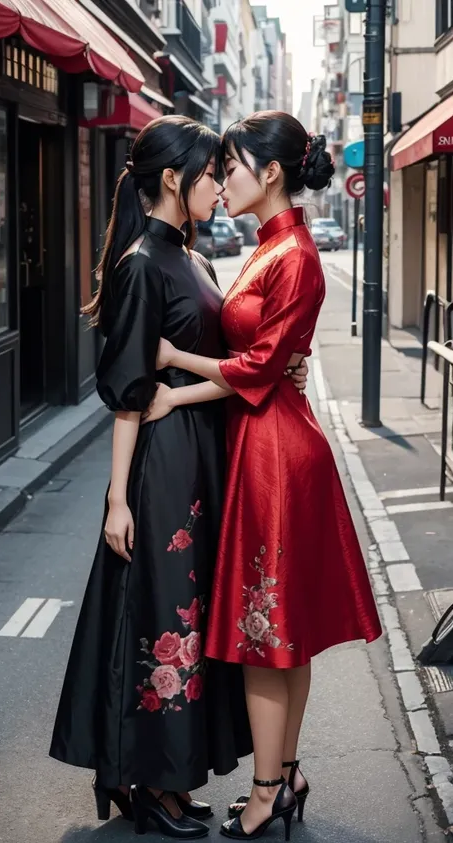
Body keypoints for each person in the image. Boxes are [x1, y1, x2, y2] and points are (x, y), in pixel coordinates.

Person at [49, 115, 308, 840]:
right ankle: (152, 779)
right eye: (209, 173)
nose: (219, 183)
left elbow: (235, 350)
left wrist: (282, 360)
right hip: (163, 463)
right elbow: (131, 392)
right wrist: (115, 498)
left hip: (205, 455)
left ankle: (168, 775)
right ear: (172, 179)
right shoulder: (141, 262)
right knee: (166, 617)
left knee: (191, 616)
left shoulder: (190, 256)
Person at [144, 111, 383, 841]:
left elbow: (259, 365)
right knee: (279, 631)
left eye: (233, 165)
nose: (224, 179)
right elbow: (270, 355)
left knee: (264, 632)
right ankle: (282, 776)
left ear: (270, 172)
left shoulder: (293, 255)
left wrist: (177, 370)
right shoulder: (271, 248)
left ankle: (267, 788)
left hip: (275, 453)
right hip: (266, 442)